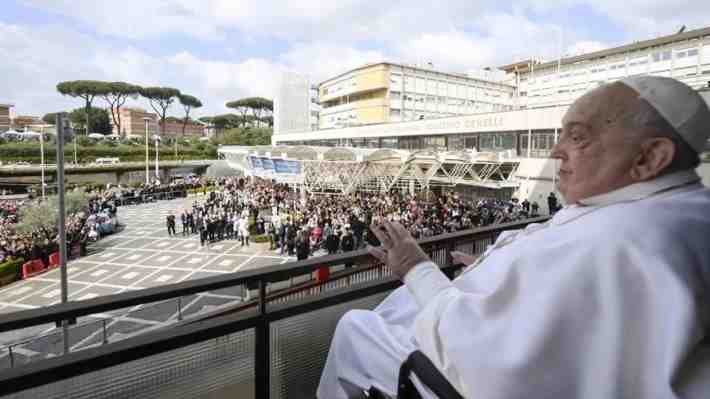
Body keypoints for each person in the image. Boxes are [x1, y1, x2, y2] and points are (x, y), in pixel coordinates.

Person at [317, 76, 710, 398]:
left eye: (578, 136)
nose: (556, 151)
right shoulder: (671, 207)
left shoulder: (622, 237)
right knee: (404, 303)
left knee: (355, 326)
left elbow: (492, 362)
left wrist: (415, 266)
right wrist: (494, 271)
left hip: (460, 373)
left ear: (649, 157)